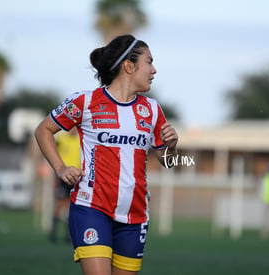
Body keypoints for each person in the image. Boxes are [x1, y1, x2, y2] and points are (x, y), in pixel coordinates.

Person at [34, 34, 178, 275]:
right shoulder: (85, 101)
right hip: (91, 209)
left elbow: (169, 163)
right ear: (129, 66)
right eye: (149, 62)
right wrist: (60, 168)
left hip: (135, 216)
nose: (154, 70)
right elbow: (43, 130)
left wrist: (172, 147)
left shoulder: (152, 109)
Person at [49, 127, 80, 243]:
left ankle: (68, 234)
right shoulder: (61, 139)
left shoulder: (79, 141)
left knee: (70, 205)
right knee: (60, 204)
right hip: (63, 176)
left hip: (75, 176)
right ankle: (53, 232)